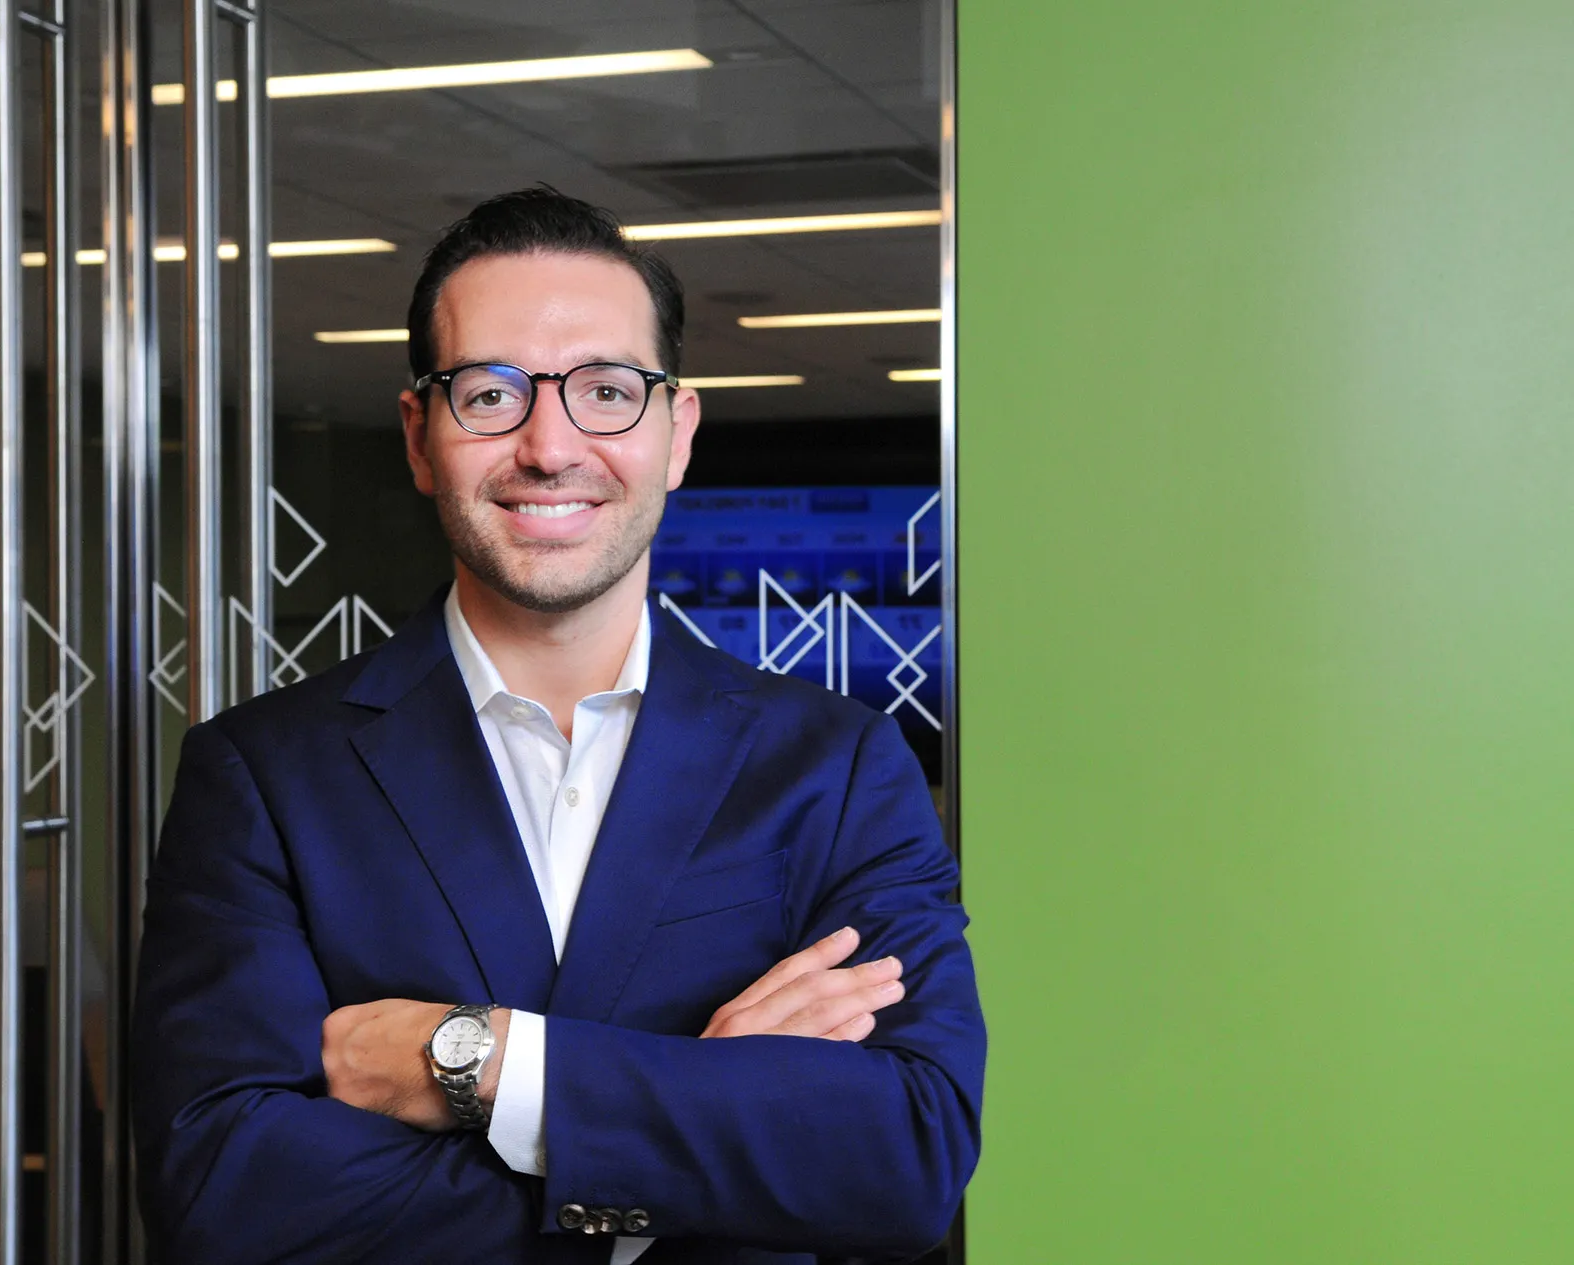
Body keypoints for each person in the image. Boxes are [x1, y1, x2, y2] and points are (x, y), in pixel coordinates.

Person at [132, 187, 984, 1265]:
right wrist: (707, 1108)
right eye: (490, 392)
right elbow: (223, 1197)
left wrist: (484, 1064)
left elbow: (906, 1156)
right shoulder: (261, 773)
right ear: (419, 436)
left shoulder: (836, 764)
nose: (548, 444)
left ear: (675, 434)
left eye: (606, 391)